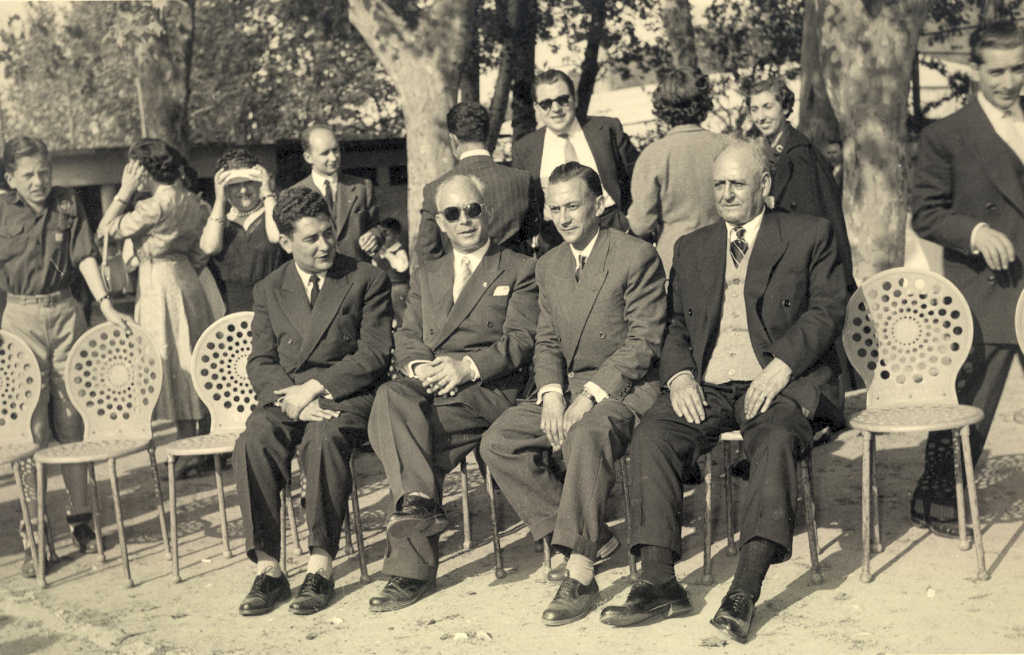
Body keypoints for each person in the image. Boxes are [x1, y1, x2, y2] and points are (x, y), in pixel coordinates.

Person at [600, 139, 846, 643]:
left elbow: (827, 310)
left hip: (779, 381)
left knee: (776, 440)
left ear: (765, 184)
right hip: (708, 384)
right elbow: (674, 324)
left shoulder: (809, 234)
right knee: (653, 436)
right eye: (719, 185)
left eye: (737, 183)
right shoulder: (692, 247)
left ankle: (744, 590)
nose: (727, 194)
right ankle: (659, 581)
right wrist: (679, 377)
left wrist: (781, 367)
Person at [480, 161, 666, 627]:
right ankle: (588, 535)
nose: (563, 218)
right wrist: (551, 394)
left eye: (573, 206)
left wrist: (589, 397)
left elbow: (643, 342)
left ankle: (581, 572)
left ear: (598, 205)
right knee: (500, 441)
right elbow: (546, 340)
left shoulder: (635, 255)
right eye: (555, 208)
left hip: (625, 388)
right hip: (568, 388)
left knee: (586, 432)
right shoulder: (549, 265)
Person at [367, 174, 538, 612]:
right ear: (440, 223)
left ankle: (409, 571)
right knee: (390, 397)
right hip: (431, 385)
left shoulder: (518, 267)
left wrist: (465, 367)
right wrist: (420, 367)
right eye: (453, 213)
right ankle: (421, 504)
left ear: (487, 212)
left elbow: (521, 340)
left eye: (472, 210)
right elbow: (408, 335)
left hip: (486, 390)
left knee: (410, 438)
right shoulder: (428, 274)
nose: (465, 220)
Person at [232, 186, 392, 617]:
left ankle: (320, 565)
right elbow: (261, 360)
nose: (324, 245)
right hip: (288, 396)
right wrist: (293, 400)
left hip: (345, 394)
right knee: (253, 439)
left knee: (323, 438)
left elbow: (374, 353)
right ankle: (268, 568)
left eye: (328, 233)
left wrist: (316, 387)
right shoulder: (269, 288)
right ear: (286, 243)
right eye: (311, 238)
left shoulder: (366, 278)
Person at [910, 21, 1024, 539]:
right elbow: (926, 213)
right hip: (986, 291)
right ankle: (936, 500)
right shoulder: (946, 135)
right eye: (997, 71)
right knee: (970, 404)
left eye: (1018, 69)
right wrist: (975, 232)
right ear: (974, 71)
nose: (1008, 81)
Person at [0, 136, 132, 576]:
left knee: (73, 419)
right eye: (28, 175)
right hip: (19, 317)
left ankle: (82, 518)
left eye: (44, 172)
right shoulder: (1, 211)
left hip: (65, 314)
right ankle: (35, 531)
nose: (38, 181)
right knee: (30, 426)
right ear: (10, 179)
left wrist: (107, 305)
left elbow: (85, 257)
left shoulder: (67, 203)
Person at [96, 139, 218, 469]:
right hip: (188, 280)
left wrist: (124, 192)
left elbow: (104, 231)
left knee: (171, 360)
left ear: (144, 171)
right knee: (191, 354)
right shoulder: (194, 202)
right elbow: (200, 253)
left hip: (157, 283)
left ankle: (187, 449)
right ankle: (205, 444)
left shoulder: (152, 206)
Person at [511, 69, 639, 252]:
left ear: (575, 99)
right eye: (546, 103)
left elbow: (638, 177)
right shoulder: (525, 149)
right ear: (536, 108)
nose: (556, 108)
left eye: (562, 99)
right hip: (557, 240)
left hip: (612, 227)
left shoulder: (606, 129)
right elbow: (523, 204)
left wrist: (631, 220)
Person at [746, 77, 854, 289]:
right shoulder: (772, 151)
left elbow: (809, 221)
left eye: (767, 107)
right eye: (754, 109)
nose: (761, 117)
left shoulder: (799, 155)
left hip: (808, 269)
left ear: (785, 108)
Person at [627, 66, 730, 272]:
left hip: (675, 258)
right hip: (724, 252)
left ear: (662, 107)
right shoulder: (727, 146)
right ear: (703, 102)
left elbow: (641, 224)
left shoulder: (653, 155)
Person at [417, 102, 541, 259]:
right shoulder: (522, 180)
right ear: (487, 135)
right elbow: (531, 231)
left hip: (460, 273)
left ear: (453, 140)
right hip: (513, 272)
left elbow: (427, 252)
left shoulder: (435, 189)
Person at [200, 148, 285, 313]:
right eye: (234, 185)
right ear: (225, 189)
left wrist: (267, 193)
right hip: (233, 309)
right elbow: (210, 247)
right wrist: (219, 200)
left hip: (274, 304)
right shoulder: (220, 222)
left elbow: (277, 236)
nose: (243, 190)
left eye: (249, 182)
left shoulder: (271, 214)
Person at [287, 123, 379, 260]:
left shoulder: (362, 187)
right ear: (308, 157)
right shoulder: (295, 194)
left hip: (357, 270)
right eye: (325, 153)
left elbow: (378, 226)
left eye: (335, 150)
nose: (334, 158)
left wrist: (375, 236)